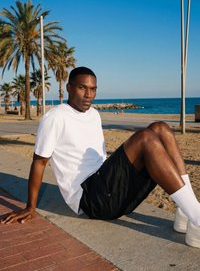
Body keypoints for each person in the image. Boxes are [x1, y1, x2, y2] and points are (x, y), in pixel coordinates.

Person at [1, 66, 200, 248]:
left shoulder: (94, 114)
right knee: (145, 138)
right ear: (69, 88)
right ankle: (198, 219)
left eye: (93, 89)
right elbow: (39, 162)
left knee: (161, 128)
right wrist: (30, 207)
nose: (89, 95)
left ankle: (186, 212)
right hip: (89, 199)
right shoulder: (55, 117)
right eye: (82, 88)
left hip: (107, 188)